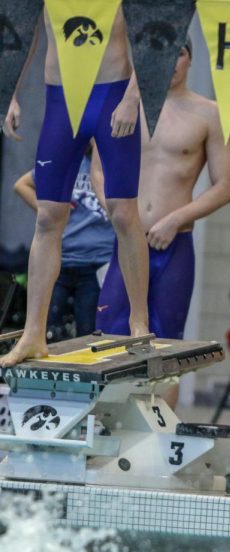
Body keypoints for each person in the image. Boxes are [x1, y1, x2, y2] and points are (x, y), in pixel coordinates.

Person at [1, 5, 149, 366]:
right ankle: (34, 333)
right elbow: (24, 34)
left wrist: (132, 97)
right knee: (48, 218)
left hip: (113, 95)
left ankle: (139, 322)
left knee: (123, 213)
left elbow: (150, 40)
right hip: (60, 101)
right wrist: (11, 92)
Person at [94, 40, 230, 408]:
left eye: (179, 53)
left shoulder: (209, 113)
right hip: (127, 241)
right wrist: (121, 218)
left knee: (168, 345)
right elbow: (97, 169)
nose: (170, 61)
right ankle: (108, 425)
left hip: (173, 247)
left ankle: (161, 437)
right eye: (161, 52)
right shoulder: (124, 107)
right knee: (110, 337)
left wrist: (175, 219)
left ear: (190, 59)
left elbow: (225, 187)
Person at [13, 144, 115, 340]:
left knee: (90, 333)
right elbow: (22, 184)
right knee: (50, 333)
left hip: (98, 263)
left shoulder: (111, 165)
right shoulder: (68, 162)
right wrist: (52, 213)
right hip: (62, 259)